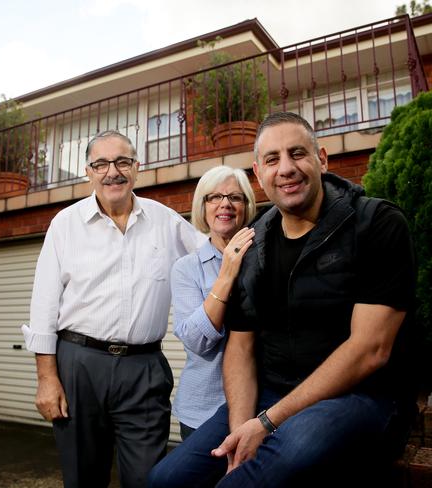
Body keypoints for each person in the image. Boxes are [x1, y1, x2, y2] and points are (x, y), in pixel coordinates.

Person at [148, 112, 418, 487]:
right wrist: (243, 428)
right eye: (273, 160)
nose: (286, 168)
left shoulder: (376, 223)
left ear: (322, 159)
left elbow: (370, 349)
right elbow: (240, 348)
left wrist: (269, 421)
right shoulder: (253, 243)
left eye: (298, 154)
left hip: (360, 396)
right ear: (260, 174)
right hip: (271, 393)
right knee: (166, 480)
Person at [21, 130, 204, 488]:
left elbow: (209, 258)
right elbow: (43, 303)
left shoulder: (165, 221)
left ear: (137, 167)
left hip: (144, 369)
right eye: (101, 163)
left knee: (148, 477)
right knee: (83, 476)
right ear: (88, 172)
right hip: (78, 366)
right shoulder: (65, 224)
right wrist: (47, 378)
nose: (112, 172)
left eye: (122, 162)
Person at [172, 166, 256, 440]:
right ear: (203, 207)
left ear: (247, 206)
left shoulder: (264, 257)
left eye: (235, 197)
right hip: (203, 410)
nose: (225, 204)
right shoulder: (186, 269)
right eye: (215, 197)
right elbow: (197, 343)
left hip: (259, 407)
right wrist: (228, 271)